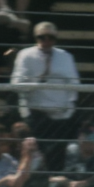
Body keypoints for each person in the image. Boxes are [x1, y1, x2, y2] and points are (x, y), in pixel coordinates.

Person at [10, 21, 79, 173]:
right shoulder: (25, 55)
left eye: (51, 37)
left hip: (61, 117)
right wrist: (38, 80)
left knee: (58, 160)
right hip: (36, 115)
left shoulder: (66, 56)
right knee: (36, 160)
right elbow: (16, 84)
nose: (46, 41)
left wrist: (67, 111)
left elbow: (74, 85)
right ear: (36, 37)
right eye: (42, 37)